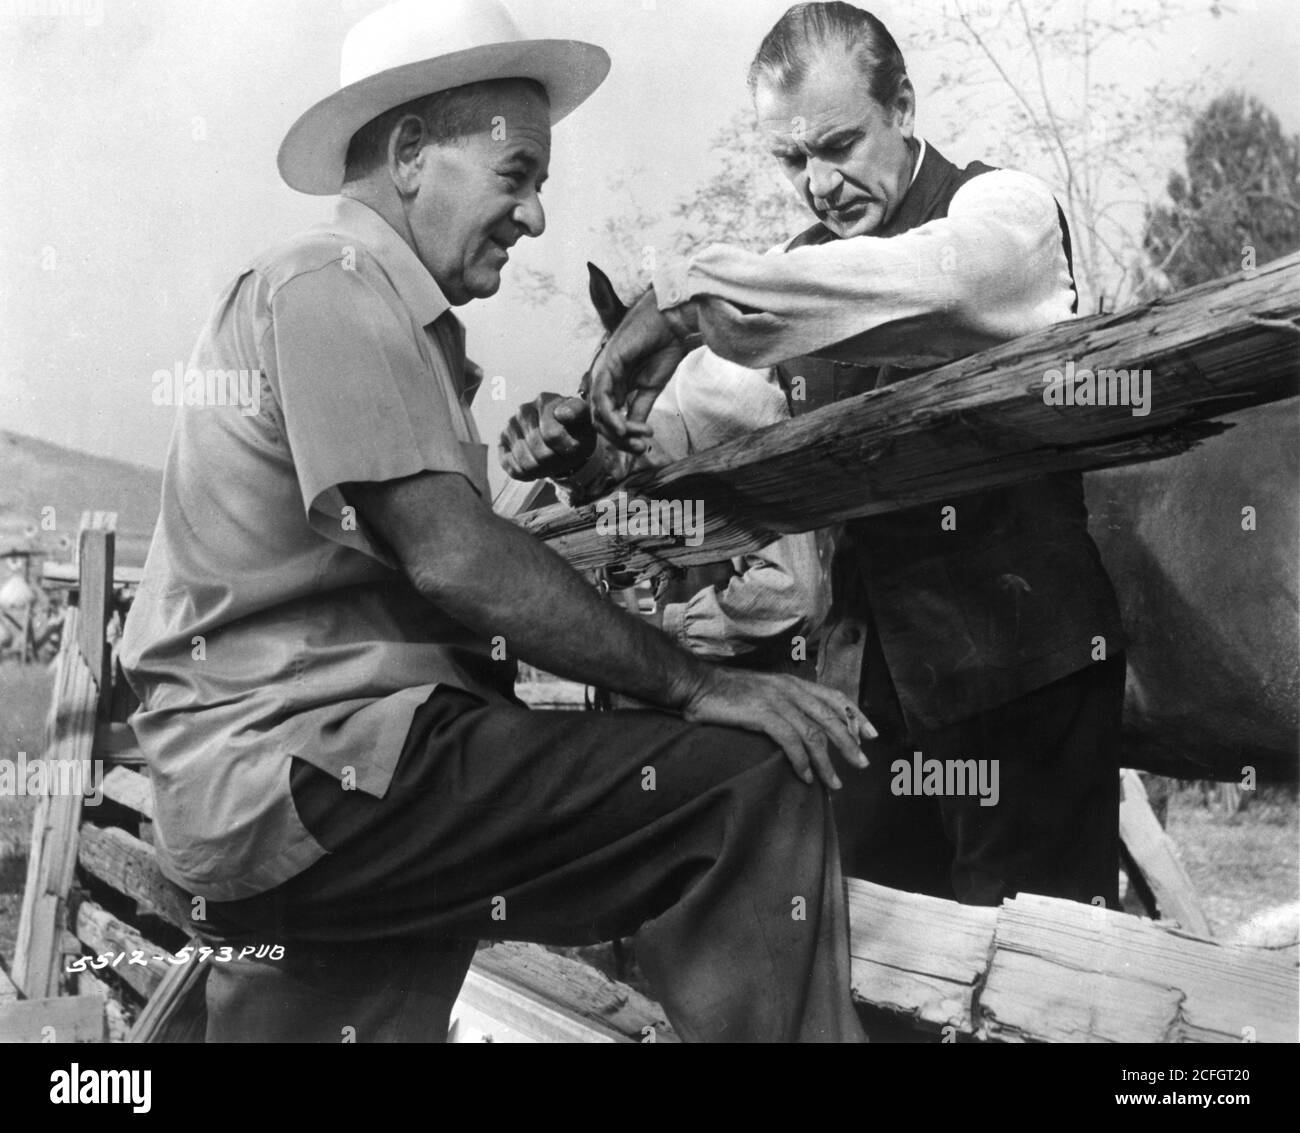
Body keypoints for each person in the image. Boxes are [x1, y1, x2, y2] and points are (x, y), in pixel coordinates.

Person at [119, 0, 873, 1043]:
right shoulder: (330, 285)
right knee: (744, 784)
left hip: (277, 790)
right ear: (412, 152)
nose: (535, 217)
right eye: (517, 174)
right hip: (312, 768)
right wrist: (698, 681)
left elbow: (460, 555)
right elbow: (457, 558)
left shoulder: (372, 318)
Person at [534, 2, 1129, 911]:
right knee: (877, 963)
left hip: (1025, 680)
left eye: (841, 144)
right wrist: (585, 450)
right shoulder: (785, 278)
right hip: (868, 699)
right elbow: (681, 431)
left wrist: (694, 297)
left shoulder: (1005, 211)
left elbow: (948, 279)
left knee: (1039, 972)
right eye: (791, 159)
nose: (820, 183)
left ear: (904, 106)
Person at [500, 264, 831, 675]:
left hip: (738, 692)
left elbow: (793, 595)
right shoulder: (661, 447)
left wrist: (649, 629)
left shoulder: (718, 389)